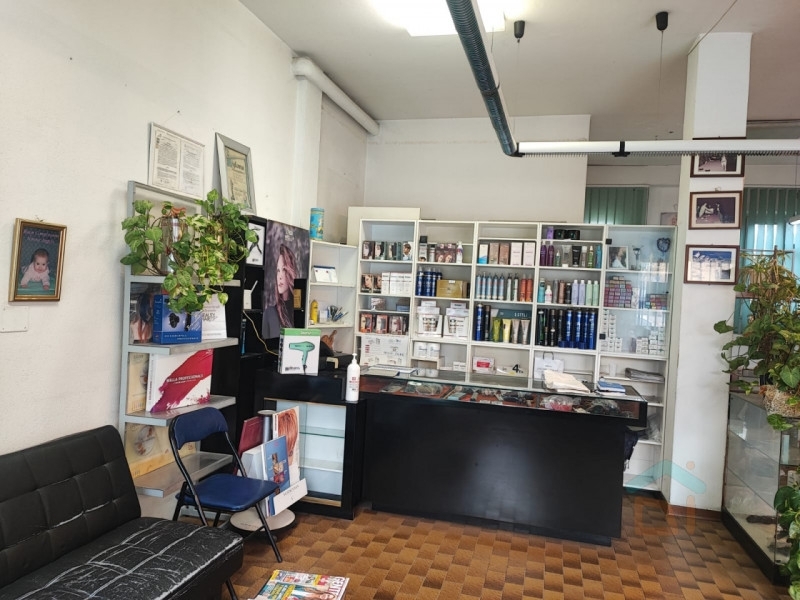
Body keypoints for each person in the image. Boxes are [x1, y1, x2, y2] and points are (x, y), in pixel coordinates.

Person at [263, 244, 297, 338]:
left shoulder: (298, 312)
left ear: (291, 272)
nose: (280, 276)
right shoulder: (269, 313)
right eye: (278, 271)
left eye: (284, 270)